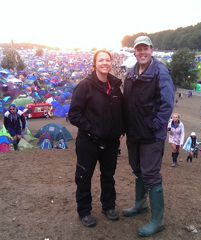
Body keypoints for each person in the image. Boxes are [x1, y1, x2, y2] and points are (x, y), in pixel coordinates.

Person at [123, 35, 174, 237]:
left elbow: (167, 104)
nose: (142, 52)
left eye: (145, 49)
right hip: (134, 132)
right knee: (137, 169)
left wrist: (155, 126)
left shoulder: (160, 72)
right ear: (134, 51)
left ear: (151, 50)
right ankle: (140, 204)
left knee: (151, 174)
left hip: (152, 134)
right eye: (138, 49)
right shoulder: (131, 72)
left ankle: (157, 220)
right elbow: (127, 101)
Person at [68, 50, 124, 228]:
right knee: (84, 176)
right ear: (95, 64)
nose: (105, 63)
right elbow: (74, 114)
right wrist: (92, 129)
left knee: (108, 176)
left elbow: (121, 111)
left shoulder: (115, 86)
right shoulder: (84, 86)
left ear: (111, 63)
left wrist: (120, 129)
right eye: (101, 60)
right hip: (89, 141)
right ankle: (84, 211)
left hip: (111, 142)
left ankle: (109, 206)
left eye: (107, 60)